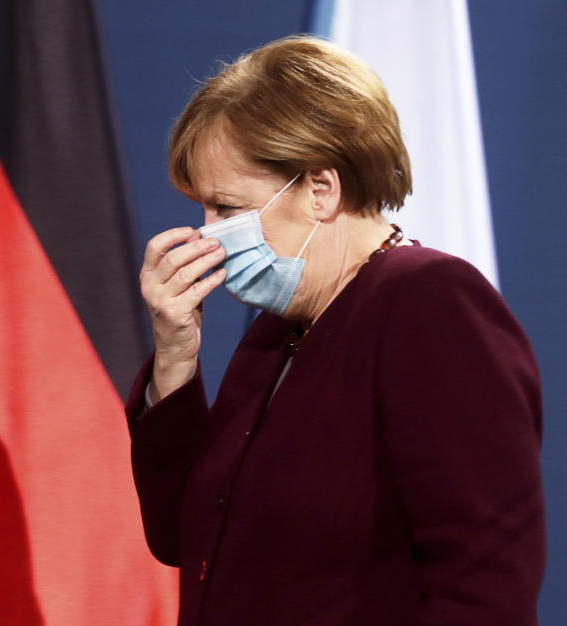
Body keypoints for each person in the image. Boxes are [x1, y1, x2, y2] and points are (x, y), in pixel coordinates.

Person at [127, 35, 544, 625]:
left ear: (320, 189)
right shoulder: (274, 334)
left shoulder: (432, 304)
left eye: (226, 209)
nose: (206, 236)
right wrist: (174, 356)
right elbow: (182, 537)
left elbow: (485, 583)